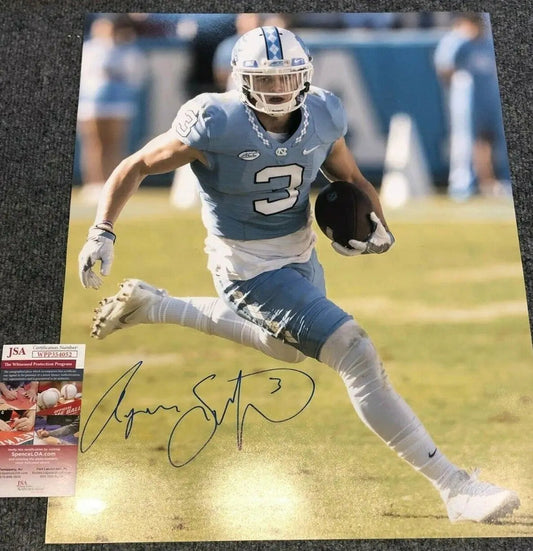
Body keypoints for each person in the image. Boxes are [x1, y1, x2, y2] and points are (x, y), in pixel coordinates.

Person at [78, 26, 519, 523]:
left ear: (306, 75)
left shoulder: (323, 112)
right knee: (355, 352)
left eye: (288, 77)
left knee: (286, 349)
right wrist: (103, 231)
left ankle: (157, 306)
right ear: (241, 79)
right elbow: (136, 165)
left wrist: (378, 229)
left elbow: (350, 178)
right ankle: (454, 486)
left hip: (300, 255)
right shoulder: (215, 120)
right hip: (246, 269)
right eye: (267, 79)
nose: (279, 89)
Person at [434, 13, 511, 200]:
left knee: (498, 140)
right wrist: (458, 83)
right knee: (464, 140)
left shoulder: (488, 40)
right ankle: (462, 185)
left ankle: (502, 182)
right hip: (466, 98)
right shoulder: (456, 40)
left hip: (491, 96)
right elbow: (444, 67)